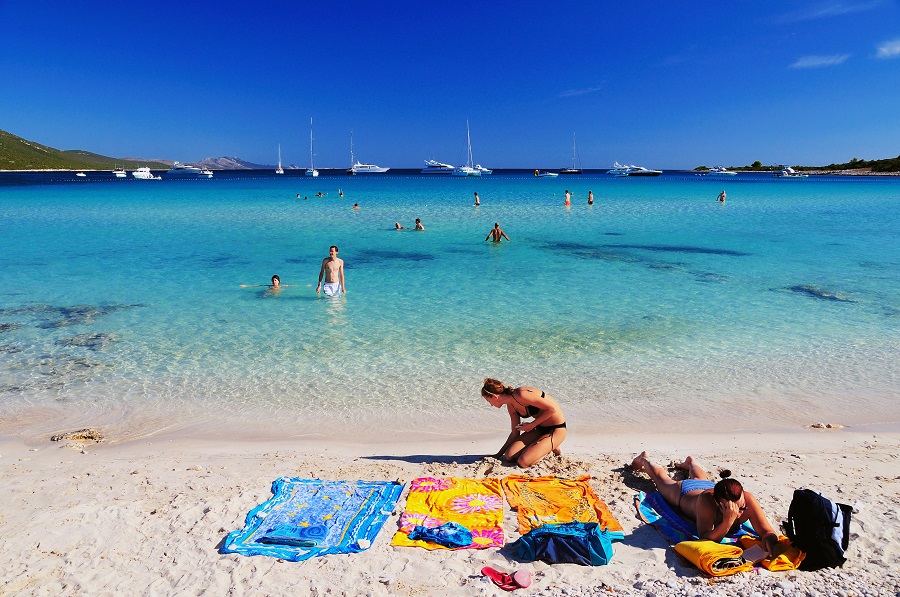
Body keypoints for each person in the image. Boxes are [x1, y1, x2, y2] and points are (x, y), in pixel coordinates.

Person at [630, 452, 779, 554]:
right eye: (730, 508)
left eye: (742, 508)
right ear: (718, 503)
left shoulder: (747, 499)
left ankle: (690, 463)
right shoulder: (706, 502)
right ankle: (644, 459)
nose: (738, 512)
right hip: (684, 493)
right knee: (661, 480)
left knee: (700, 478)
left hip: (710, 486)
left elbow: (767, 530)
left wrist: (769, 539)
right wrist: (728, 521)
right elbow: (705, 539)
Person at [481, 378, 566, 467]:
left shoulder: (521, 394)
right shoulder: (511, 406)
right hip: (539, 430)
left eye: (488, 401)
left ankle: (550, 448)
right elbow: (515, 433)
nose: (490, 404)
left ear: (494, 397)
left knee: (523, 462)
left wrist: (531, 425)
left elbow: (552, 409)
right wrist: (497, 455)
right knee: (509, 456)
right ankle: (542, 446)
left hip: (556, 429)